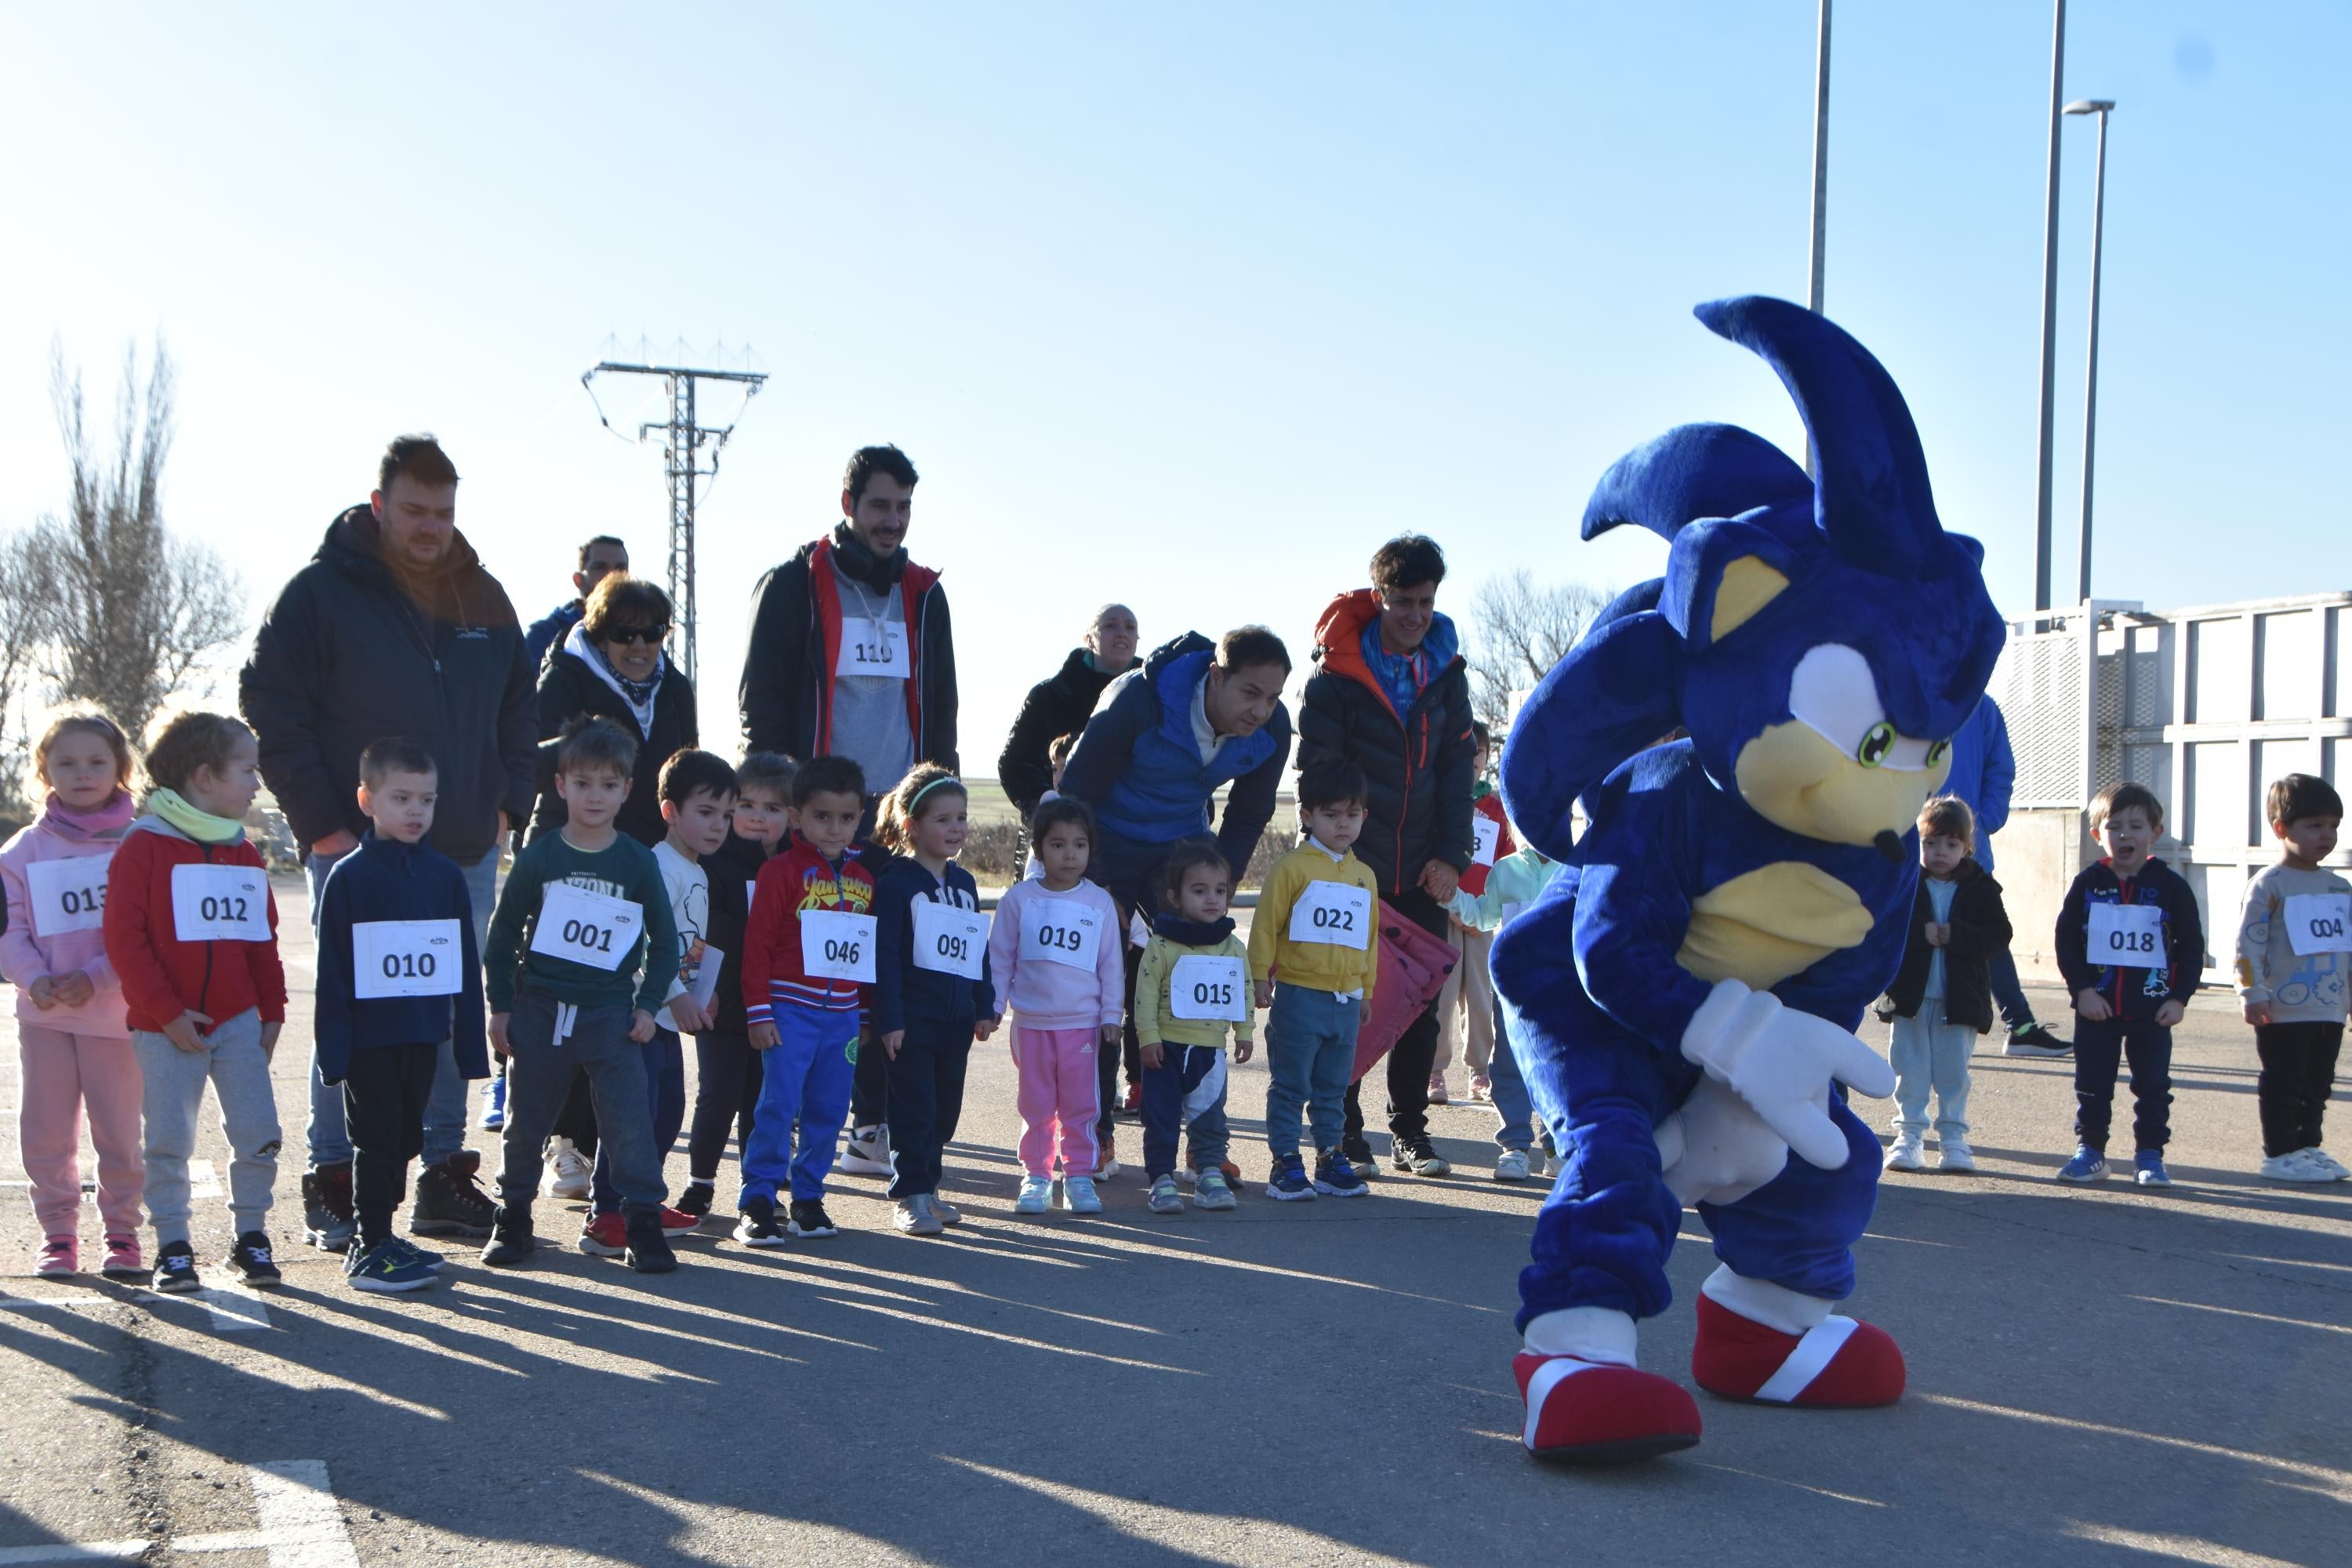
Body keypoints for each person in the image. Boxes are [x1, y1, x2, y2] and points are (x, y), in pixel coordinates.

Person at [241, 433, 532, 1252]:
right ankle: (334, 1177)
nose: (430, 526)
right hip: (355, 856)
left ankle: (442, 1176)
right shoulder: (320, 594)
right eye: (413, 510)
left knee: (442, 1014)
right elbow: (270, 702)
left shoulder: (484, 597)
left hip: (464, 850)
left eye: (443, 512)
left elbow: (521, 708)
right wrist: (323, 821)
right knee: (354, 1016)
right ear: (380, 506)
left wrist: (509, 800)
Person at [1059, 626, 1294, 1178]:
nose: (1261, 711)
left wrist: (1219, 885)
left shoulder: (1273, 729)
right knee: (1104, 986)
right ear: (1216, 676)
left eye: (1274, 697)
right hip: (1107, 838)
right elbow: (1077, 795)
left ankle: (1205, 1147)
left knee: (1196, 983)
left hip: (1181, 843)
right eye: (1250, 692)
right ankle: (1096, 1135)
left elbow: (1247, 816)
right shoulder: (1135, 700)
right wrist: (1096, 887)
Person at [1297, 534, 1476, 1179]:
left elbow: (1460, 770)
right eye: (1403, 601)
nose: (1416, 615)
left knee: (1419, 1006)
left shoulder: (1448, 671)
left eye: (1426, 602)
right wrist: (1338, 861)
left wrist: (1452, 855)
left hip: (1424, 868)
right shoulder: (1336, 676)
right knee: (1347, 1001)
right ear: (1379, 598)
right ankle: (1344, 1131)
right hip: (1352, 870)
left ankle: (1409, 1133)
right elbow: (1317, 773)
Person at [477, 718, 683, 1274]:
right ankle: (513, 1216)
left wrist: (647, 1006)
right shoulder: (542, 857)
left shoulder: (636, 861)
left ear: (626, 791)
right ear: (562, 785)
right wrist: (500, 1007)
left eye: (609, 785)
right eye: (584, 783)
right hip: (541, 1010)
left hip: (611, 1016)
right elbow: (501, 936)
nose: (596, 796)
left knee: (629, 1125)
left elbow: (664, 942)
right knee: (526, 1123)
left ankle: (640, 1222)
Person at [103, 713, 287, 1294]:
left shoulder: (244, 854)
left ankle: (251, 1237)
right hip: (164, 1028)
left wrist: (272, 1009)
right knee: (168, 1139)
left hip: (238, 1023)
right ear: (205, 776)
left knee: (258, 1129)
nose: (258, 783)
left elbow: (261, 938)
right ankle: (173, 1245)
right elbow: (124, 941)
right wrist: (166, 1013)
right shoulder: (143, 846)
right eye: (248, 769)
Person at [311, 739, 489, 1293]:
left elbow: (462, 967)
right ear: (367, 800)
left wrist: (468, 1050)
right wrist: (334, 1051)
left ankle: (384, 1232)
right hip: (369, 1041)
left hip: (423, 1036)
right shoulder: (349, 878)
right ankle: (368, 1243)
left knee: (408, 1136)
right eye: (402, 798)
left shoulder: (444, 877)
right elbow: (333, 972)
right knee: (376, 1138)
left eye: (427, 800)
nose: (416, 811)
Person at [575, 749, 735, 1256]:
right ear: (670, 811)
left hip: (669, 1018)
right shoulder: (657, 867)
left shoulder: (699, 872)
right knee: (632, 1115)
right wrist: (675, 995)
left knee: (667, 1110)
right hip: (637, 1015)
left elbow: (687, 945)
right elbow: (647, 944)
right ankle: (606, 1214)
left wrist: (700, 998)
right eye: (705, 813)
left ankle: (642, 1201)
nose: (718, 826)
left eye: (727, 816)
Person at [2, 711, 142, 1278]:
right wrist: (33, 978)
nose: (82, 774)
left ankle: (123, 1234)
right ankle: (59, 1233)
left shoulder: (140, 845)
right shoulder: (20, 852)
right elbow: (8, 930)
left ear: (120, 769)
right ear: (44, 771)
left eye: (96, 762)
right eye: (66, 763)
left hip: (117, 1019)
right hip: (46, 1019)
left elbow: (147, 930)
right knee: (47, 1129)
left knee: (120, 1132)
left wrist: (97, 977)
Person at [739, 444, 958, 786]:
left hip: (901, 814)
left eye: (904, 507)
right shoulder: (793, 587)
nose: (894, 521)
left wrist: (942, 793)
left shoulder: (925, 595)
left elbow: (943, 711)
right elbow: (761, 707)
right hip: (816, 812)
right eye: (880, 506)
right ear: (847, 503)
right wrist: (773, 801)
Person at [733, 755, 876, 1246]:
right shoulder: (780, 871)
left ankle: (809, 1198)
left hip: (842, 1018)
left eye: (846, 817)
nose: (834, 828)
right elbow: (758, 946)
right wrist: (759, 1011)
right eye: (821, 816)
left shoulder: (865, 879)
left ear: (860, 816)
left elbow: (865, 953)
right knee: (778, 1104)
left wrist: (864, 1014)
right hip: (789, 1009)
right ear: (797, 817)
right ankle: (758, 1198)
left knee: (830, 1109)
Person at [2054, 782, 2204, 1189]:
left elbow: (2191, 947)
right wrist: (2082, 991)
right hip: (2096, 1008)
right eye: (2114, 827)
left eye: (2136, 826)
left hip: (2152, 1010)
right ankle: (2091, 1152)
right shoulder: (2087, 884)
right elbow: (2066, 940)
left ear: (2155, 832)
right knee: (2092, 1085)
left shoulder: (2172, 887)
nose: (2125, 835)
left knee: (2153, 1086)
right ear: (2097, 835)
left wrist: (2179, 998)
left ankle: (2150, 1156)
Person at [985, 797, 1126, 1216]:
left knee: (1082, 1104)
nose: (1070, 854)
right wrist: (993, 1004)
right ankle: (1037, 1176)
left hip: (1082, 1026)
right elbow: (1000, 957)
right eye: (1058, 845)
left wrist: (1110, 1015)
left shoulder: (1098, 901)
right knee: (1037, 1104)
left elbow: (1111, 964)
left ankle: (1080, 1175)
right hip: (1030, 1025)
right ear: (1039, 849)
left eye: (1079, 845)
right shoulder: (1019, 899)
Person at [871, 766, 996, 1235]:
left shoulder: (964, 885)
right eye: (943, 819)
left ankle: (931, 1187)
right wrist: (890, 1019)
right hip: (911, 1022)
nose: (956, 828)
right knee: (914, 1109)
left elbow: (975, 950)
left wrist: (983, 1006)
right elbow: (884, 958)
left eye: (961, 818)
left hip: (956, 1021)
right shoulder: (896, 884)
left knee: (944, 1111)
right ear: (912, 826)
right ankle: (910, 1194)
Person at [1249, 760, 1382, 1202]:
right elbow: (1266, 925)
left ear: (1365, 815)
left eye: (1353, 814)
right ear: (1307, 816)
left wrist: (1367, 988)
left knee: (1333, 1088)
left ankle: (1330, 1157)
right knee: (1290, 1084)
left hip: (1345, 1000)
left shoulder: (1365, 876)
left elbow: (1368, 939)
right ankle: (1285, 1162)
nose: (1343, 824)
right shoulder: (1291, 868)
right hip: (1300, 995)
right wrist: (1258, 977)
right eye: (1331, 814)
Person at [678, 752, 793, 1218]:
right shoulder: (713, 864)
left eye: (773, 809)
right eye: (746, 806)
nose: (758, 818)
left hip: (777, 1008)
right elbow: (703, 934)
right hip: (721, 1003)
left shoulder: (795, 868)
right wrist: (699, 990)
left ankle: (758, 1190)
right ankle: (699, 1185)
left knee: (762, 1102)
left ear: (791, 816)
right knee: (718, 1095)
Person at [1876, 797, 2012, 1176]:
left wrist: (1959, 935)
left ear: (1967, 848)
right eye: (1930, 843)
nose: (1940, 852)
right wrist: (1920, 932)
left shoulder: (1982, 888)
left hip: (1961, 1000)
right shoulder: (1903, 882)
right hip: (1910, 998)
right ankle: (1909, 1137)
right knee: (1909, 1070)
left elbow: (1999, 935)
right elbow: (1882, 925)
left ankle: (1954, 1140)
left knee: (1954, 1074)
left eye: (1951, 845)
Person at [2234, 773, 2350, 1183]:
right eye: (2315, 825)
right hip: (2282, 1008)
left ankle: (2308, 1147)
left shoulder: (2340, 887)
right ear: (2282, 829)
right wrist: (2251, 991)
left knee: (2318, 1084)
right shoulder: (2269, 884)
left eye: (2334, 825)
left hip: (2329, 1007)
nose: (2327, 835)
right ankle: (2280, 1153)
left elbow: (2345, 949)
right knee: (2284, 1082)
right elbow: (2248, 946)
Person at [1943, 697, 2071, 1059]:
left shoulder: (1980, 705)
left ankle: (2022, 1026)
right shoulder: (1900, 687)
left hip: (1968, 842)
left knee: (1989, 933)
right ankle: (1834, 1029)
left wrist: (1983, 820)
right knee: (1892, 931)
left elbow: (2000, 767)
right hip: (1905, 844)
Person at [530, 573, 698, 850]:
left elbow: (689, 775)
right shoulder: (564, 678)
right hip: (569, 850)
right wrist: (583, 741)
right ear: (600, 637)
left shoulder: (675, 687)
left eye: (652, 633)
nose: (639, 645)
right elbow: (529, 768)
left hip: (650, 856)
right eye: (624, 633)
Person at [1132, 838, 1254, 1216]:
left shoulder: (1232, 945)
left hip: (1209, 1052)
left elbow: (1243, 988)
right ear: (1175, 896)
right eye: (1199, 891)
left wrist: (1244, 1030)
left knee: (1210, 1116)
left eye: (1220, 891)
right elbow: (1144, 994)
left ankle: (1209, 1172)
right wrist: (1148, 1037)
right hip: (1165, 1049)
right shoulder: (1162, 944)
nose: (1212, 899)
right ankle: (1161, 1179)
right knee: (1161, 1117)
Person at [1445, 838, 1553, 1180]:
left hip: (1561, 992)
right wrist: (1450, 896)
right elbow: (1482, 914)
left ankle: (1557, 1148)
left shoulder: (1576, 866)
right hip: (1514, 990)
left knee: (1558, 1070)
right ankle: (1515, 1148)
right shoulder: (1505, 869)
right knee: (1508, 1065)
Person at [1432, 721, 1513, 1103]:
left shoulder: (1498, 810)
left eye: (1479, 753)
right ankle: (1433, 1070)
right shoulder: (1440, 801)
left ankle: (1480, 1068)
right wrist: (1448, 903)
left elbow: (1506, 864)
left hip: (1483, 919)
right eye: (1466, 752)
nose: (1473, 760)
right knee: (1441, 996)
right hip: (1443, 912)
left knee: (1480, 997)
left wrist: (1487, 911)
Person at [999, 604, 1141, 822]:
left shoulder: (1159, 696)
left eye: (1130, 627)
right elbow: (1014, 763)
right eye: (1110, 625)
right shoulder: (1049, 696)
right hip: (1060, 838)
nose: (1122, 632)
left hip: (1139, 831)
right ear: (1089, 638)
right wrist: (1046, 808)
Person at [524, 535, 629, 673]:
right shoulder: (545, 634)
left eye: (621, 568)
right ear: (579, 580)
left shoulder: (645, 634)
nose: (612, 575)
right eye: (600, 567)